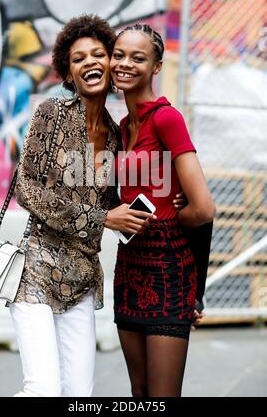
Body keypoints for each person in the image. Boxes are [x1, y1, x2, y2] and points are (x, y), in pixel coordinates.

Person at [10, 15, 153, 397]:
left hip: (82, 280)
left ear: (110, 64)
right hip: (36, 272)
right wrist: (102, 218)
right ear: (69, 74)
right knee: (42, 389)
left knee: (78, 395)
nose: (90, 62)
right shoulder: (51, 115)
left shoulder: (118, 137)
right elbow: (27, 188)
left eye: (98, 54)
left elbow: (120, 203)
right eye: (78, 58)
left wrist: (171, 197)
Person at [111, 23, 215, 397]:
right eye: (119, 55)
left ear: (156, 67)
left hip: (168, 268)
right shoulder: (122, 127)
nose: (124, 64)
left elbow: (203, 207)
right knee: (139, 392)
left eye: (138, 58)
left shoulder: (166, 119)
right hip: (130, 264)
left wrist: (173, 217)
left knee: (162, 396)